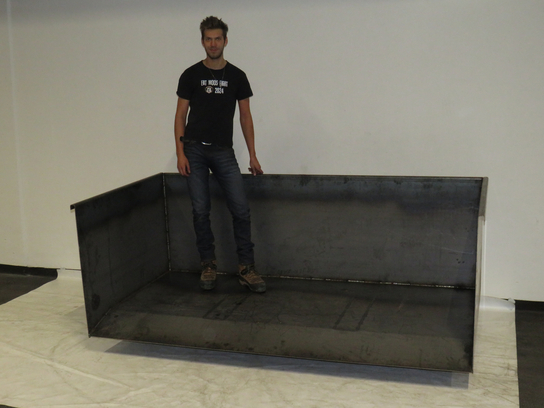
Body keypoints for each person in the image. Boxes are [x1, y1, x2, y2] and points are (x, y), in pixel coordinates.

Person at [174, 16, 266, 293]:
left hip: (224, 151)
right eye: (208, 39)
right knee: (200, 210)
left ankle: (246, 268)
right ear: (202, 42)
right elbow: (180, 116)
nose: (213, 44)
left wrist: (253, 154)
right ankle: (208, 265)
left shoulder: (237, 76)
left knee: (241, 208)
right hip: (194, 149)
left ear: (226, 41)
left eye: (217, 39)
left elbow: (246, 117)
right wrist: (180, 153)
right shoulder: (190, 74)